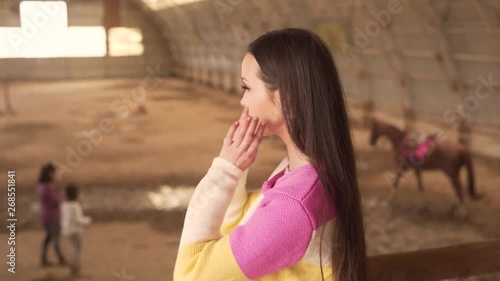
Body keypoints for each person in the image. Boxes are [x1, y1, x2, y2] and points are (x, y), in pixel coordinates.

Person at [174, 28, 366, 281]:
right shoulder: (306, 173)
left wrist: (223, 171)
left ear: (287, 97)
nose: (243, 100)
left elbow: (191, 275)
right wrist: (237, 167)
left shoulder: (295, 205)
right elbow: (238, 227)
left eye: (248, 87)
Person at [36, 162, 66, 266]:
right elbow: (57, 200)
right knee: (55, 238)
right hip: (53, 215)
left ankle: (43, 259)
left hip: (44, 215)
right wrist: (62, 197)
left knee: (49, 237)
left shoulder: (41, 185)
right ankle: (61, 259)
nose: (55, 174)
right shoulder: (50, 187)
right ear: (50, 173)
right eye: (54, 172)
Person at [61, 183, 92, 277]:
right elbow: (78, 219)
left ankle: (73, 270)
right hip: (76, 231)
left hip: (67, 230)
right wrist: (88, 220)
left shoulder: (63, 205)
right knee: (77, 251)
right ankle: (76, 270)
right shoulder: (75, 205)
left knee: (73, 249)